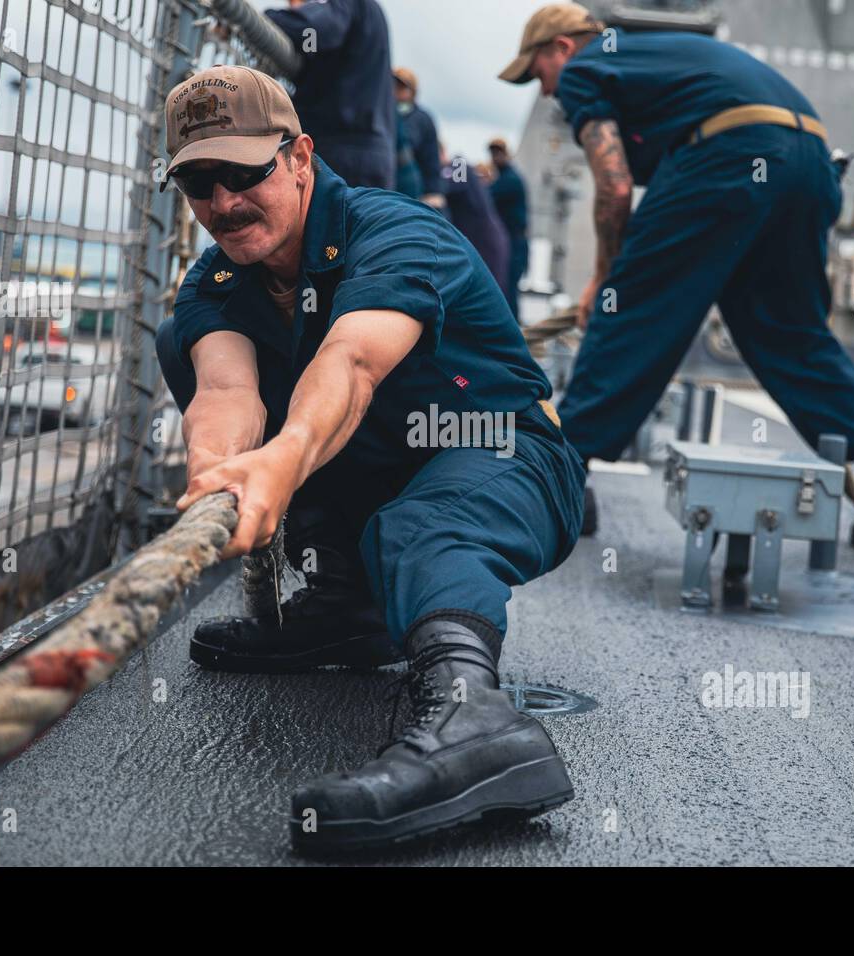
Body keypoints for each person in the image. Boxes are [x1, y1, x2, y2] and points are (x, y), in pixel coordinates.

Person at [156, 65, 585, 852]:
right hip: (384, 459)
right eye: (198, 184)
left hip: (497, 448)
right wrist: (220, 479)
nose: (222, 203)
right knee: (174, 340)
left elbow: (352, 365)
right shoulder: (217, 278)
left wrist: (283, 460)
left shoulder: (392, 234)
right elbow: (224, 389)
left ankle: (475, 719)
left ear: (300, 157)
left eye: (244, 173)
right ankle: (351, 610)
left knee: (421, 523)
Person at [498, 3, 854, 550]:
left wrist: (602, 280)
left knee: (633, 311)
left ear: (561, 47)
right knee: (789, 332)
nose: (544, 93)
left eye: (537, 74)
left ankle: (563, 478)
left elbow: (612, 187)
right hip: (809, 162)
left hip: (729, 155)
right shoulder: (661, 58)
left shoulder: (588, 67)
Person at [264, 0, 395, 189]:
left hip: (343, 152)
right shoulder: (367, 14)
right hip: (367, 152)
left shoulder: (347, 6)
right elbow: (316, 39)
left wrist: (266, 20)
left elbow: (313, 30)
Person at [439, 144, 511, 295]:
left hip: (487, 246)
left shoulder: (459, 164)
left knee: (489, 298)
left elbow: (444, 186)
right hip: (480, 246)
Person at [391, 67, 446, 212]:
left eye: (402, 86)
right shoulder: (383, 113)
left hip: (412, 189)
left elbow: (431, 159)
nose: (396, 90)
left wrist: (433, 192)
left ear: (412, 91)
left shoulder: (423, 118)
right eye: (393, 85)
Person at [487, 138, 530, 321]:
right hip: (510, 242)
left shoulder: (510, 180)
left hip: (515, 243)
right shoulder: (505, 179)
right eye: (493, 154)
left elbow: (484, 196)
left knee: (508, 290)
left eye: (498, 153)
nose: (495, 157)